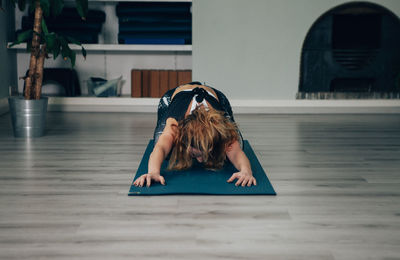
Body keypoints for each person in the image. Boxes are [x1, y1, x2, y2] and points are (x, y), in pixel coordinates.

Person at [133, 81, 257, 188]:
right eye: (195, 154)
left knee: (234, 146)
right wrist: (153, 172)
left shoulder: (221, 128)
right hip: (177, 96)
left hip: (214, 95)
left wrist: (246, 171)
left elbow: (236, 153)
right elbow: (161, 147)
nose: (200, 160)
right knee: (162, 143)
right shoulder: (174, 124)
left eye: (204, 153)